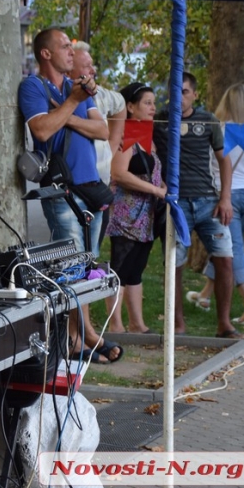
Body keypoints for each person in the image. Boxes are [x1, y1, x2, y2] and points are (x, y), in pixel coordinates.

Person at [18, 28, 121, 363]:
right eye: (64, 46)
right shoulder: (34, 86)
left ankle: (81, 335)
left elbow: (102, 130)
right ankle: (79, 336)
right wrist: (73, 105)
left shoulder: (76, 89)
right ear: (45, 54)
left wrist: (66, 111)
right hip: (61, 189)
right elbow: (43, 129)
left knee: (87, 265)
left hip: (90, 187)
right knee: (73, 265)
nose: (71, 52)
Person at [153, 72, 240, 338]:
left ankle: (224, 324)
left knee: (225, 259)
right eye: (174, 91)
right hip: (176, 204)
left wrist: (225, 198)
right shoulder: (160, 120)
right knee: (174, 263)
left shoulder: (208, 120)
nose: (179, 97)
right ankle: (177, 324)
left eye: (185, 92)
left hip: (208, 202)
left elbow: (224, 160)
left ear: (195, 95)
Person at [187, 83, 244, 328]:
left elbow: (209, 163)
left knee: (232, 248)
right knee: (226, 245)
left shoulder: (219, 129)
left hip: (228, 196)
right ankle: (204, 296)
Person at [104, 83, 164, 335]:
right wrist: (155, 190)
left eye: (154, 102)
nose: (153, 108)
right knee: (120, 268)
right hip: (126, 215)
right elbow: (118, 172)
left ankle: (137, 324)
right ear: (130, 106)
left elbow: (153, 173)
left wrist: (163, 188)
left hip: (146, 217)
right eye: (147, 103)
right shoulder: (126, 135)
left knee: (136, 269)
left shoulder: (145, 135)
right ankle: (115, 325)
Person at [70, 41, 126, 247]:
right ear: (69, 65)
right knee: (73, 253)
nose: (93, 71)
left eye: (92, 65)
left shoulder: (99, 93)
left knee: (93, 253)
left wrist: (113, 144)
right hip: (71, 189)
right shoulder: (57, 92)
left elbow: (120, 104)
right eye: (86, 66)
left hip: (100, 185)